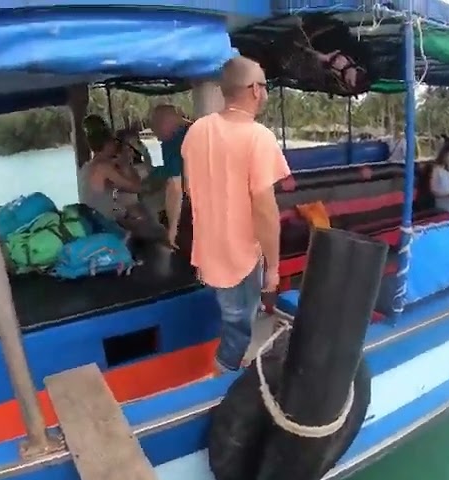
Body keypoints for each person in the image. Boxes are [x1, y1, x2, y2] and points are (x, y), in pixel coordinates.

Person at [182, 56, 292, 375]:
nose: (266, 91)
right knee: (238, 329)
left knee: (233, 317)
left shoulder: (197, 130)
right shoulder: (259, 138)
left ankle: (227, 365)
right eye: (265, 84)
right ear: (255, 90)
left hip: (207, 249)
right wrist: (273, 267)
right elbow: (265, 211)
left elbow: (190, 190)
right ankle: (218, 382)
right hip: (239, 256)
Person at [77, 135, 164, 239]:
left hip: (91, 216)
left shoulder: (88, 166)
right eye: (114, 143)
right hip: (102, 219)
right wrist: (126, 163)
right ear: (107, 145)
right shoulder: (104, 167)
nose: (115, 146)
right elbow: (135, 188)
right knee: (148, 225)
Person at [148, 104, 193, 249]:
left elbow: (174, 184)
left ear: (167, 123)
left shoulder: (175, 143)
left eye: (155, 125)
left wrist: (173, 229)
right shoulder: (191, 131)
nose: (153, 130)